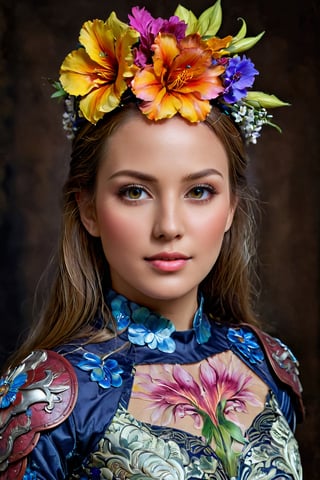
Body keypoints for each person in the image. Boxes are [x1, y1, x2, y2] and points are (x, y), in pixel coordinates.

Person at [0, 2, 304, 479]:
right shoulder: (49, 397)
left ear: (230, 209)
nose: (168, 225)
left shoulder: (270, 365)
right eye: (135, 192)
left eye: (199, 191)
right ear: (88, 208)